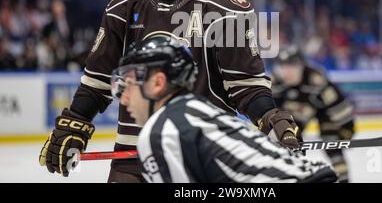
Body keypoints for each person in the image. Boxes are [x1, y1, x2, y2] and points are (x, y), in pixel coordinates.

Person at [39, 0, 302, 182]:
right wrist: (75, 124)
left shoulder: (226, 8)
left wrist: (269, 119)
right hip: (134, 156)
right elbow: (98, 80)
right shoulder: (124, 5)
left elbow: (245, 87)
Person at [116, 35, 337, 183]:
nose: (123, 98)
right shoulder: (201, 110)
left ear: (157, 83)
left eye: (129, 83)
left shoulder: (163, 130)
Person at [271, 46, 355, 182]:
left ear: (302, 66)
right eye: (283, 67)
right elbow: (271, 110)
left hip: (324, 111)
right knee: (288, 138)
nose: (287, 72)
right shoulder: (275, 81)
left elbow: (338, 104)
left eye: (292, 66)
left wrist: (347, 128)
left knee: (332, 143)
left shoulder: (316, 78)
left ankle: (344, 179)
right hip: (297, 111)